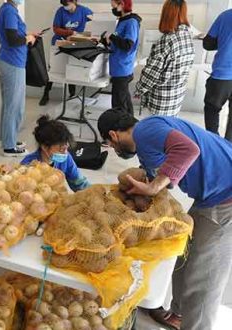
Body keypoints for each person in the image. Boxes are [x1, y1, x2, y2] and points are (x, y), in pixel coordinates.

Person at [97, 108, 232, 330]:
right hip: (211, 193)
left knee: (203, 276)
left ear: (113, 135)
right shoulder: (149, 135)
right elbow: (159, 171)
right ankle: (178, 313)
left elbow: (188, 149)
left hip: (225, 196)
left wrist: (154, 186)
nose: (114, 149)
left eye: (111, 145)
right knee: (184, 252)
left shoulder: (144, 131)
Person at [135, 0, 194, 117]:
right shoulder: (188, 35)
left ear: (166, 15)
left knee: (156, 131)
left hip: (161, 100)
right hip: (177, 95)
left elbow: (151, 73)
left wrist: (139, 89)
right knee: (169, 129)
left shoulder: (166, 41)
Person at [0, 0, 39, 157]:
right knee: (14, 106)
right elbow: (13, 39)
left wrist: (29, 36)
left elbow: (14, 35)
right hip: (11, 63)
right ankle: (9, 147)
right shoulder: (9, 11)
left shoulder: (9, 9)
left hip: (11, 61)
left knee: (10, 105)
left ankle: (9, 140)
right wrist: (28, 38)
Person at [39, 0, 93, 106]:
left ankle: (72, 95)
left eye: (67, 5)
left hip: (75, 44)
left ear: (75, 2)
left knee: (72, 68)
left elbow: (94, 21)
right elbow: (56, 29)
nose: (66, 7)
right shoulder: (60, 11)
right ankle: (46, 94)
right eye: (64, 5)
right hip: (59, 42)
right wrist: (70, 32)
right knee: (53, 69)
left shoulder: (84, 11)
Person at [21, 115, 90, 192]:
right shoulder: (28, 165)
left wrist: (92, 192)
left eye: (66, 148)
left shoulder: (66, 159)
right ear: (45, 147)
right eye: (61, 149)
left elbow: (79, 183)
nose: (65, 153)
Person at [203, 9, 232, 141]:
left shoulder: (225, 15)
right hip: (224, 74)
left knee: (212, 110)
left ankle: (214, 144)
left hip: (222, 75)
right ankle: (229, 149)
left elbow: (207, 43)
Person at [107, 0, 141, 115]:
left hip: (122, 68)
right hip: (118, 67)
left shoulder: (131, 22)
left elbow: (127, 45)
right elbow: (117, 40)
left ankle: (122, 129)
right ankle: (130, 125)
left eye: (113, 6)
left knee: (119, 105)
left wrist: (112, 38)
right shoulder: (122, 21)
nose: (112, 9)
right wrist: (107, 41)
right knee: (124, 101)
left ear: (121, 5)